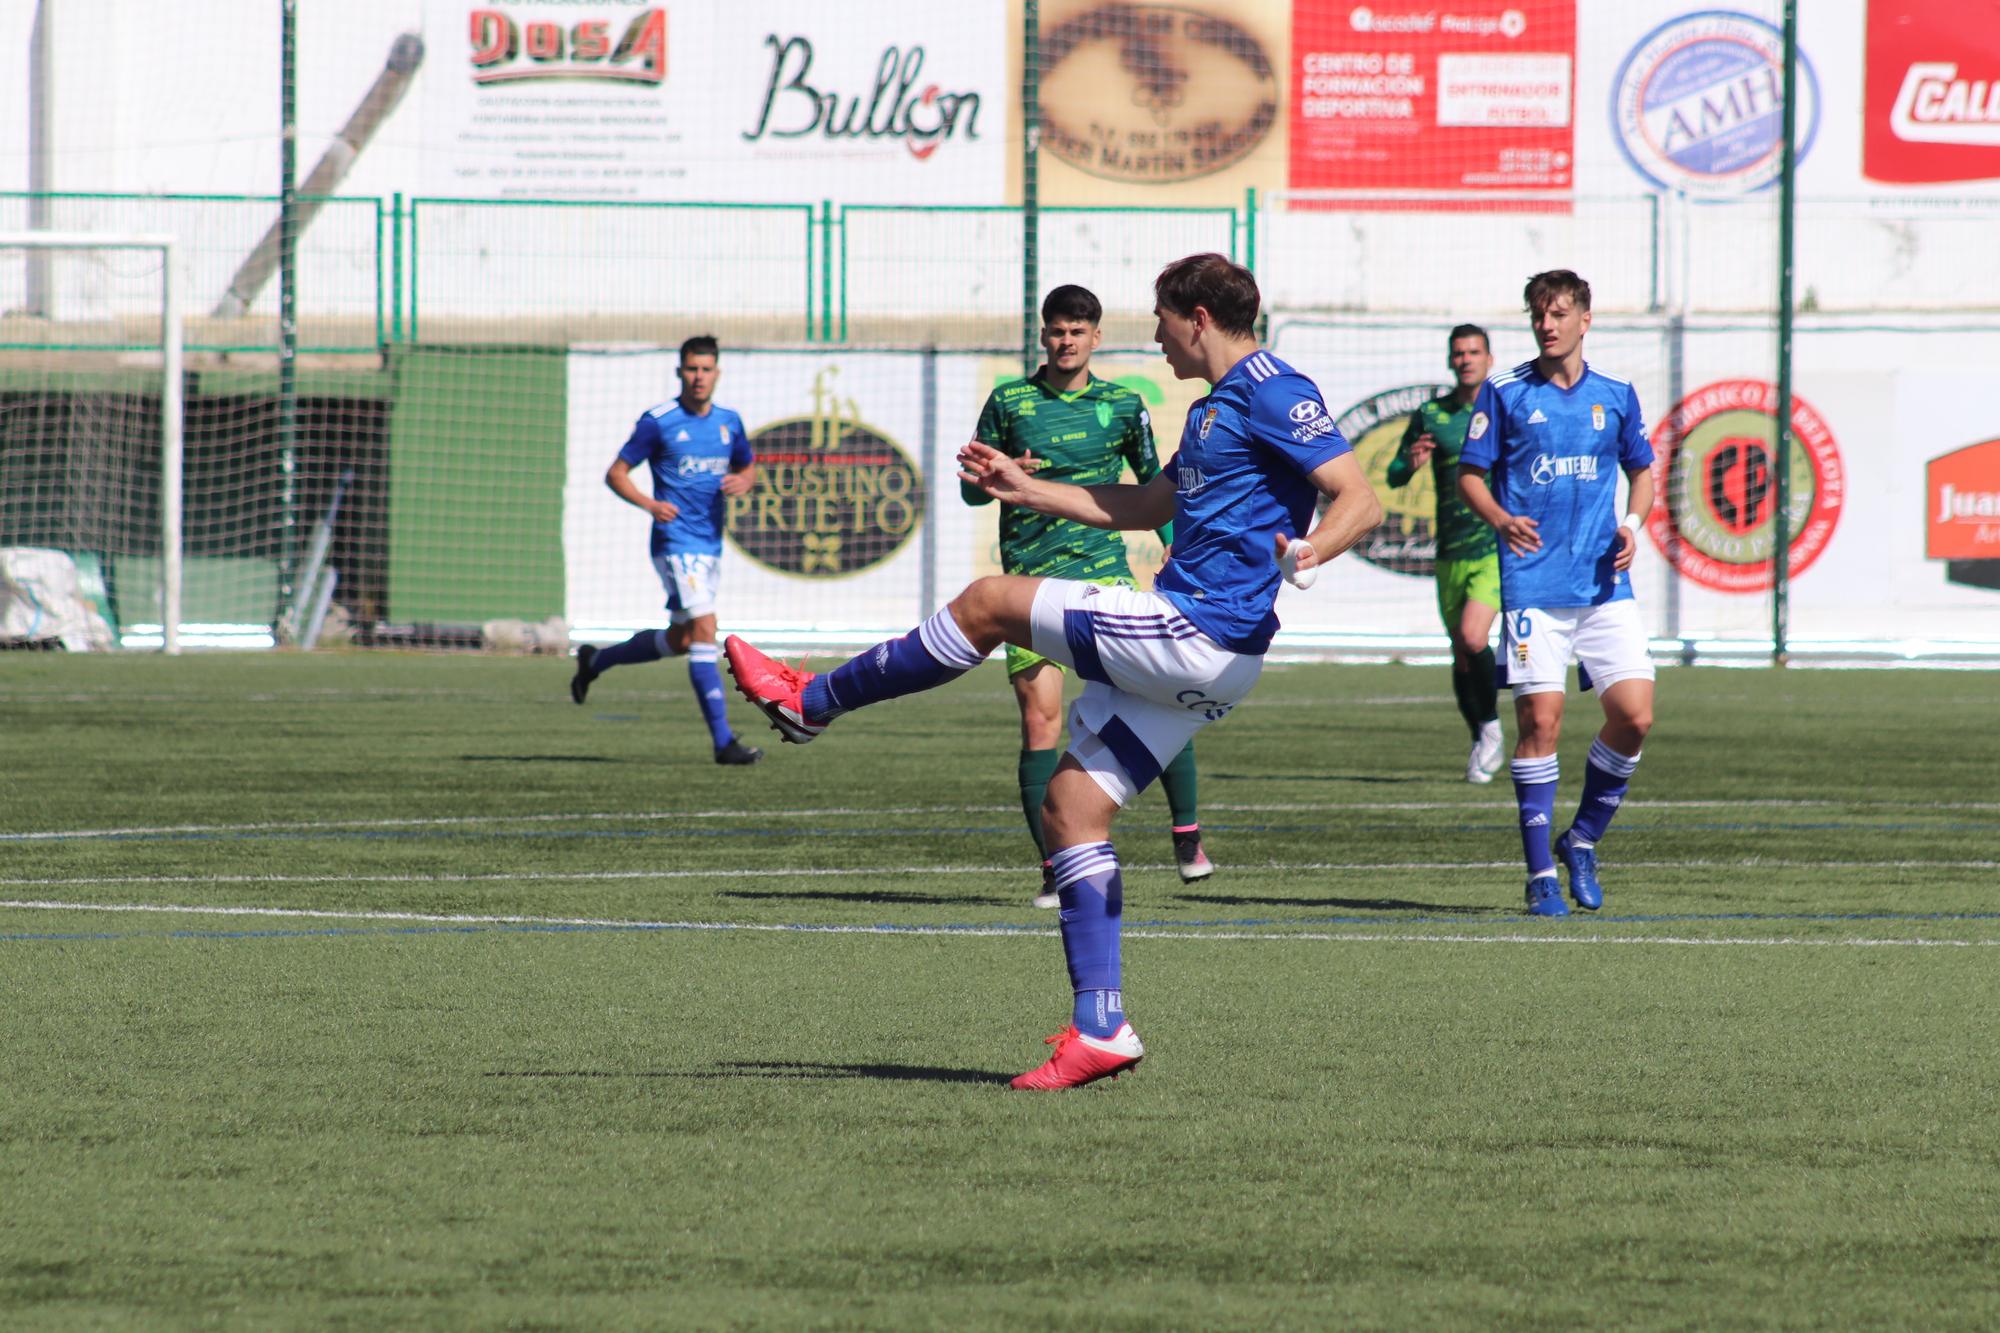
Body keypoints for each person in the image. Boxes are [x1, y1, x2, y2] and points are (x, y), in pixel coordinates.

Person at [725, 255, 1381, 1089]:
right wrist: (1024, 489)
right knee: (1072, 809)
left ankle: (810, 702)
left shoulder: (1275, 389)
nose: (1155, 332)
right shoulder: (1216, 407)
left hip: (1197, 632)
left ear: (1201, 318)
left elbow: (1358, 496)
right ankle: (1101, 1028)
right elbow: (1145, 505)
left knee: (989, 600)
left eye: (1162, 316)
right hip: (1214, 657)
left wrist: (1313, 548)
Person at [967, 283, 1213, 909]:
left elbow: (1157, 483)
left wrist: (1172, 544)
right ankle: (1055, 868)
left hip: (1102, 570)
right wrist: (998, 478)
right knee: (1039, 721)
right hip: (1029, 572)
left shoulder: (1123, 404)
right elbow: (973, 490)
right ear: (1043, 336)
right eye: (1057, 330)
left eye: (1079, 330)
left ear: (1096, 337)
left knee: (1151, 693)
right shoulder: (1010, 400)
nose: (1067, 340)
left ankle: (1186, 834)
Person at [1456, 270, 1656, 918]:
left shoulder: (1616, 396)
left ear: (1585, 319)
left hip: (1603, 585)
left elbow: (1643, 472)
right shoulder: (1506, 392)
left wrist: (1632, 525)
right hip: (1533, 586)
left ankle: (1583, 839)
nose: (1547, 324)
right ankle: (1540, 871)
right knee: (1540, 723)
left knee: (1635, 716)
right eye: (1539, 314)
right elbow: (1470, 475)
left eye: (1559, 313)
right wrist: (1500, 518)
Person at [569, 335, 764, 766]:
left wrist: (746, 480)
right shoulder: (658, 420)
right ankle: (723, 743)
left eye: (706, 369)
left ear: (717, 373)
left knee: (681, 638)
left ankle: (596, 661)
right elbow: (616, 473)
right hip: (675, 544)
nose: (698, 377)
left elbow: (747, 464)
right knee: (706, 629)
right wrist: (650, 504)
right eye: (691, 369)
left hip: (710, 545)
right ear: (680, 371)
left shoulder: (729, 422)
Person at [1385, 324, 1504, 783]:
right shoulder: (1432, 413)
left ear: (1489, 359)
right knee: (1461, 652)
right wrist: (1409, 464)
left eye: (1475, 352)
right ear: (1450, 360)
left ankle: (1491, 727)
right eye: (1459, 353)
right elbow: (1394, 474)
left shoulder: (1504, 410)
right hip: (1450, 552)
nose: (1466, 359)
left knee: (1475, 637)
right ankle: (1480, 735)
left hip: (1491, 546)